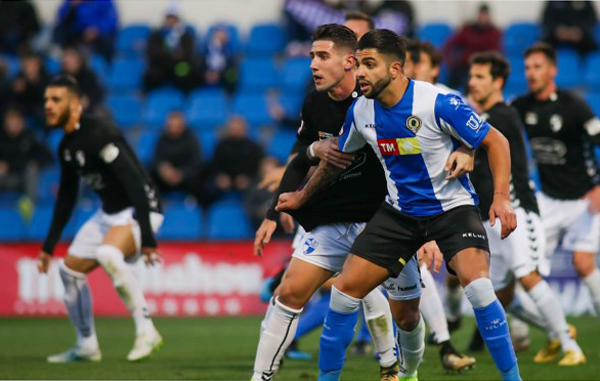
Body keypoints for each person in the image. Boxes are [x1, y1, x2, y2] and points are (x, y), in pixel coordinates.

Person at [277, 29, 521, 381]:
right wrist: (302, 196)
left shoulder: (437, 101)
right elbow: (336, 161)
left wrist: (500, 197)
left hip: (451, 210)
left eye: (369, 65)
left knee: (480, 288)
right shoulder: (361, 112)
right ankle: (356, 376)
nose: (359, 72)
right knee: (348, 297)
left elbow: (496, 142)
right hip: (399, 215)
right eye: (358, 64)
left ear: (394, 70)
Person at [252, 24, 434, 381]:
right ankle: (261, 378)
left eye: (322, 56)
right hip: (331, 220)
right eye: (311, 57)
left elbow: (417, 163)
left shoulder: (377, 102)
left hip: (382, 221)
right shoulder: (314, 103)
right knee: (288, 293)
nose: (313, 65)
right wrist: (274, 213)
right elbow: (302, 159)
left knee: (407, 316)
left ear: (350, 61)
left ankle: (403, 370)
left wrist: (426, 230)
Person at [468, 51, 585, 365]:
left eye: (480, 77)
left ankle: (571, 347)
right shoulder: (489, 116)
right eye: (471, 76)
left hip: (516, 208)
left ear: (498, 82)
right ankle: (557, 331)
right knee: (500, 293)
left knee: (528, 274)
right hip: (489, 215)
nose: (472, 82)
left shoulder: (500, 116)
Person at [37, 76, 164, 363]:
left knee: (108, 253)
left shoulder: (99, 133)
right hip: (109, 213)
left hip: (141, 207)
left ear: (75, 103)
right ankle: (86, 345)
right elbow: (67, 197)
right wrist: (48, 246)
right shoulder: (67, 146)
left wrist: (147, 237)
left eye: (56, 100)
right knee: (69, 272)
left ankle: (147, 331)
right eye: (46, 100)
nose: (48, 106)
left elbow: (135, 183)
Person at [512, 42, 600, 356]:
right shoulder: (522, 106)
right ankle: (544, 333)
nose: (531, 73)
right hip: (548, 201)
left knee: (582, 262)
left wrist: (599, 186)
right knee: (523, 269)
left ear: (553, 70)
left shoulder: (575, 106)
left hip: (584, 200)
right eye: (527, 68)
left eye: (537, 67)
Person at [143, 4, 201, 94]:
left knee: (186, 74)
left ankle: (186, 99)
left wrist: (171, 55)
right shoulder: (157, 34)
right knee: (151, 76)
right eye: (169, 18)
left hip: (178, 66)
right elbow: (153, 52)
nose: (171, 21)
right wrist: (172, 55)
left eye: (174, 18)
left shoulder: (185, 35)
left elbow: (188, 53)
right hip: (161, 66)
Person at [443, 3, 501, 90]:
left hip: (483, 66)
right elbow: (450, 44)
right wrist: (451, 61)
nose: (483, 18)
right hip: (464, 66)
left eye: (485, 15)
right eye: (481, 15)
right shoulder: (467, 29)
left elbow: (495, 53)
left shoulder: (494, 32)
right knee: (451, 85)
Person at [0, 106, 52, 201]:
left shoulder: (30, 137)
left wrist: (36, 163)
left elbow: (48, 156)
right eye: (9, 120)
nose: (12, 124)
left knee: (31, 170)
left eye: (14, 120)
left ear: (21, 121)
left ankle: (30, 205)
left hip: (24, 177)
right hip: (6, 178)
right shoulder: (2, 139)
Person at [151, 110, 204, 202]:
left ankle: (194, 205)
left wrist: (181, 174)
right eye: (171, 124)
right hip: (166, 178)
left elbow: (197, 162)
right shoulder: (162, 139)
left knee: (200, 178)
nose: (174, 126)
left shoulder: (191, 139)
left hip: (186, 178)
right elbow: (156, 159)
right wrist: (163, 169)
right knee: (149, 176)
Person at [212, 115, 264, 194]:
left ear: (245, 129)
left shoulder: (254, 147)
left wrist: (248, 178)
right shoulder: (221, 145)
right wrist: (220, 176)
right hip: (225, 182)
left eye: (239, 128)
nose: (236, 131)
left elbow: (259, 168)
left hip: (248, 182)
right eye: (233, 128)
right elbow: (214, 166)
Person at [53, 0, 118, 61]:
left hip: (99, 34)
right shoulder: (72, 2)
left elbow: (112, 19)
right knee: (60, 29)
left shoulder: (104, 1)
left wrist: (97, 29)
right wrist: (72, 6)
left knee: (108, 37)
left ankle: (108, 63)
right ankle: (59, 53)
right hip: (78, 32)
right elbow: (62, 17)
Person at [60, 46, 105, 112]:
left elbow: (97, 94)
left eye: (71, 58)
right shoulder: (59, 78)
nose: (67, 61)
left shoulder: (89, 76)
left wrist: (88, 101)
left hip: (87, 112)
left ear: (79, 60)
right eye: (66, 58)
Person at [11, 52, 51, 126]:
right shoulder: (19, 82)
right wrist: (17, 93)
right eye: (26, 66)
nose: (29, 69)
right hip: (27, 120)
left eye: (32, 65)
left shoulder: (48, 79)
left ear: (38, 64)